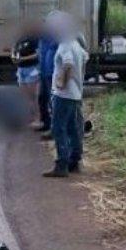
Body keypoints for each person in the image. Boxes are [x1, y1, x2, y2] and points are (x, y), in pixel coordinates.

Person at [43, 11, 90, 178]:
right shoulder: (76, 44)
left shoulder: (65, 45)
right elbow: (85, 58)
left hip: (64, 95)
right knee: (73, 128)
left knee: (58, 128)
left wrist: (61, 82)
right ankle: (74, 160)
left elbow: (68, 64)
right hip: (75, 94)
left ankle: (62, 164)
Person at [12, 22, 41, 127]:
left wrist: (23, 58)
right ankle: (30, 117)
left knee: (33, 96)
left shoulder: (34, 39)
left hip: (31, 69)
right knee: (26, 96)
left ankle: (37, 118)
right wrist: (13, 56)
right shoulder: (20, 39)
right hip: (21, 69)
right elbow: (14, 50)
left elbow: (38, 54)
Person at [35, 19, 59, 135]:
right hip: (44, 73)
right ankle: (46, 123)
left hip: (52, 74)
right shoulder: (41, 40)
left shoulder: (54, 39)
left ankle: (54, 129)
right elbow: (40, 55)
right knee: (42, 99)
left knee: (52, 102)